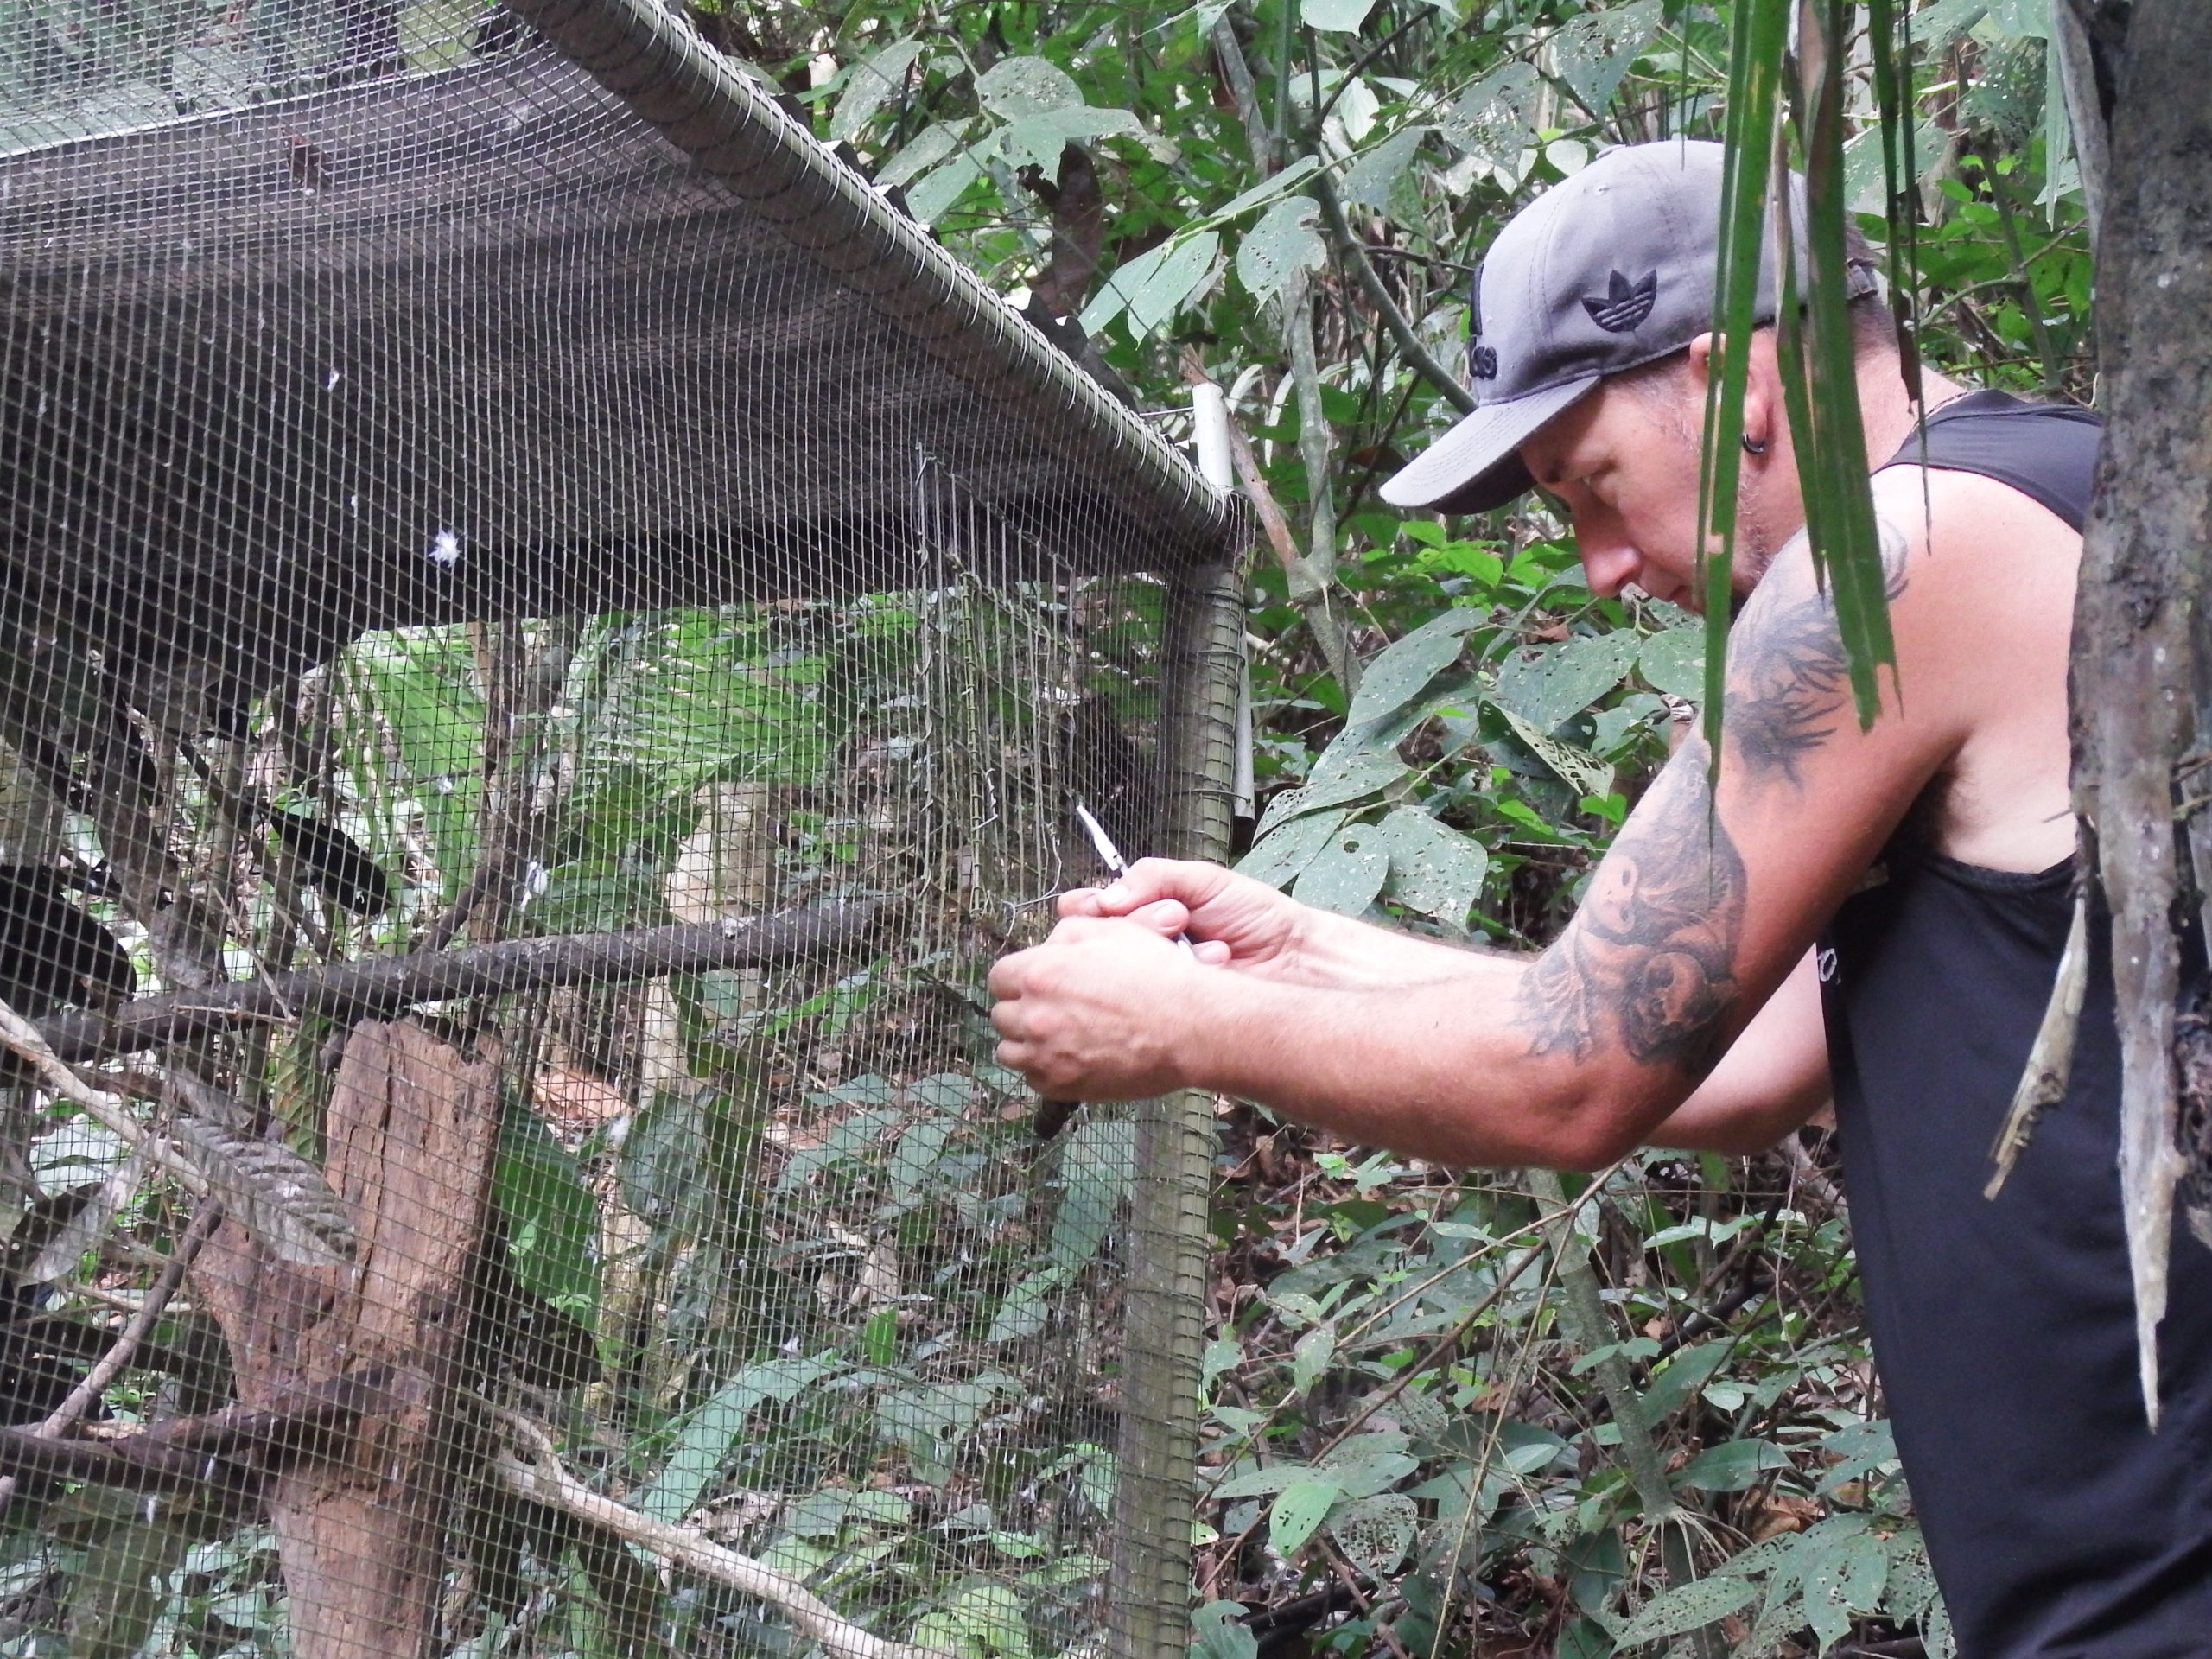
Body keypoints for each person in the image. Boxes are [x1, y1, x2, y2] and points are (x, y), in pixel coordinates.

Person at [988, 141, 2212, 1656]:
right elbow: (1741, 1066)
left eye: (1594, 488)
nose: (1601, 568)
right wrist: (1293, 951)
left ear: (1734, 385)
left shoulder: (1900, 554)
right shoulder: (2061, 489)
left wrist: (1183, 1029)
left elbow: (1567, 1079)